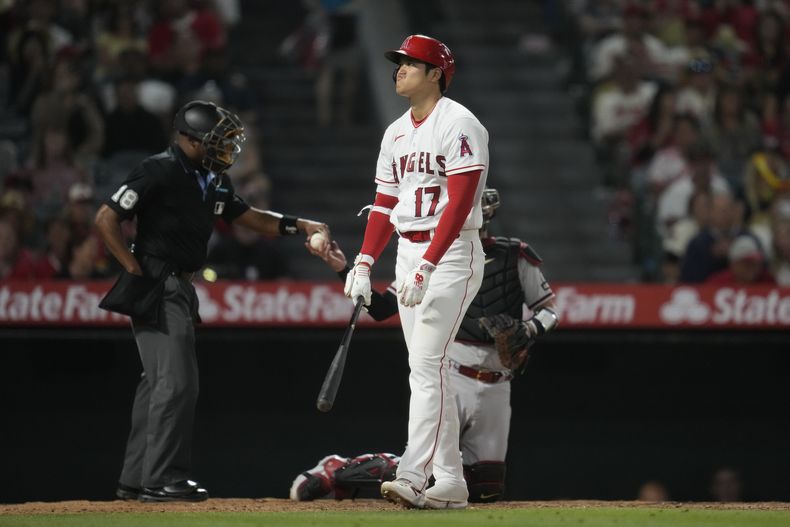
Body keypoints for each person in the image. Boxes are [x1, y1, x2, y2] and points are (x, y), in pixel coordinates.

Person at [94, 100, 330, 503]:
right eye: (216, 140)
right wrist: (133, 267)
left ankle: (134, 481)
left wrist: (299, 225)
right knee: (177, 385)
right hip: (157, 281)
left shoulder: (212, 179)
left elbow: (249, 216)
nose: (225, 148)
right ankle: (163, 479)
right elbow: (106, 217)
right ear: (189, 139)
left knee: (157, 386)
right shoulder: (159, 169)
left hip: (179, 285)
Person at [295, 188, 559, 504]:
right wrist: (344, 270)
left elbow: (550, 311)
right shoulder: (427, 259)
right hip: (450, 372)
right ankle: (338, 470)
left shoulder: (515, 254)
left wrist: (528, 328)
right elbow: (380, 309)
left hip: (498, 380)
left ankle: (365, 472)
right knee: (428, 472)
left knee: (485, 489)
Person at [341, 34, 488, 510]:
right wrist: (364, 263)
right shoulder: (395, 132)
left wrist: (427, 264)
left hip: (451, 255)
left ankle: (413, 472)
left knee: (426, 366)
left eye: (410, 63)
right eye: (399, 62)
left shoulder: (460, 122)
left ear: (436, 73)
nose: (399, 68)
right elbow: (384, 205)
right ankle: (450, 480)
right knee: (429, 369)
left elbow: (461, 201)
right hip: (410, 252)